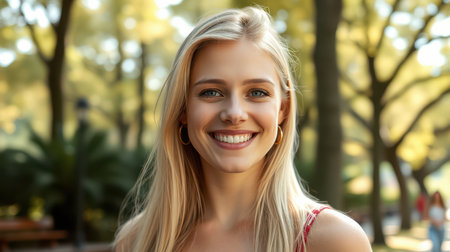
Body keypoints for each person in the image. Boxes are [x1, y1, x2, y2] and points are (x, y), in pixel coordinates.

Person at [114, 7, 371, 252]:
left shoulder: (335, 241)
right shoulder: (137, 240)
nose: (235, 113)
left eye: (257, 92)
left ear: (282, 109)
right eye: (211, 92)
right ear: (183, 110)